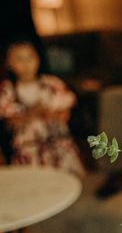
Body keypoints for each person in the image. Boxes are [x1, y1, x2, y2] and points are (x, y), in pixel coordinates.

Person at [0, 38, 84, 177]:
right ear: (9, 63)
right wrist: (35, 112)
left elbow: (65, 115)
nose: (26, 64)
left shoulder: (52, 84)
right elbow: (12, 121)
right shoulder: (7, 91)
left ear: (38, 59)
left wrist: (49, 114)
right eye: (19, 59)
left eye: (30, 57)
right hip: (28, 150)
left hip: (59, 146)